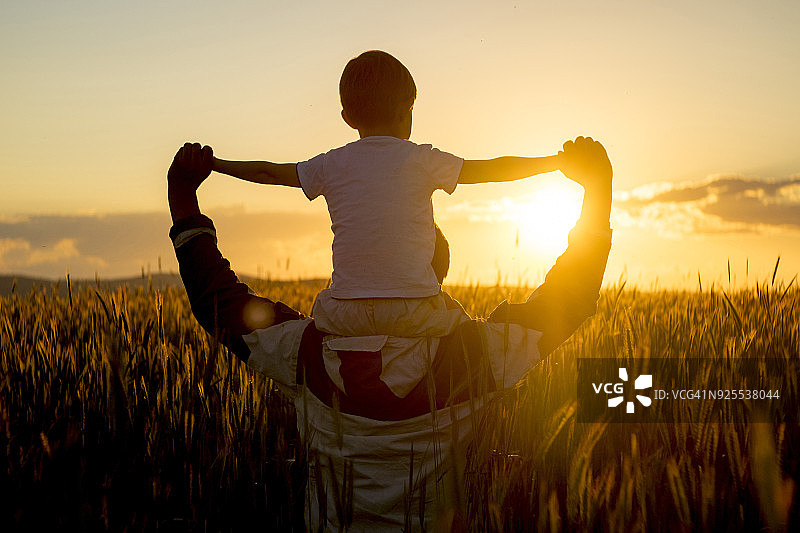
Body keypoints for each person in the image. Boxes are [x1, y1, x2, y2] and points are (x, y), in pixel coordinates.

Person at [167, 136, 613, 531]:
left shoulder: (305, 354)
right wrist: (598, 194)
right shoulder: (472, 357)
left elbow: (219, 304)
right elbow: (567, 301)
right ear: (435, 274)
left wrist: (183, 197)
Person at [207, 50, 579, 342]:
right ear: (408, 110)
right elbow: (493, 169)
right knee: (473, 339)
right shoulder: (421, 160)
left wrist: (216, 164)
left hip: (343, 312)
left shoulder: (330, 165)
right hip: (415, 308)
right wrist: (556, 162)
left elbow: (268, 171)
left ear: (347, 117)